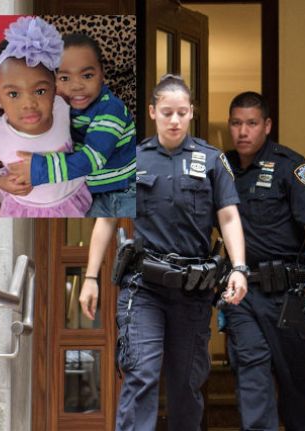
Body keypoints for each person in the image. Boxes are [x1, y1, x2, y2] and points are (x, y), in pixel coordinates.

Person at [77, 74, 248, 431]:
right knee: (141, 376)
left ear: (191, 114)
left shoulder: (212, 160)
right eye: (167, 112)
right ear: (153, 112)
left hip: (193, 291)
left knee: (187, 385)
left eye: (182, 113)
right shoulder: (131, 159)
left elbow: (229, 216)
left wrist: (239, 268)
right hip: (144, 290)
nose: (174, 120)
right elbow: (107, 221)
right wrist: (90, 277)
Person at [223, 91, 305, 430]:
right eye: (237, 123)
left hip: (289, 295)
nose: (243, 131)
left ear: (267, 126)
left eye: (252, 123)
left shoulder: (291, 166)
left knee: (297, 391)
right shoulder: (220, 169)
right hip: (244, 293)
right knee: (252, 379)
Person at [7, 32, 137, 217]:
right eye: (64, 78)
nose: (76, 86)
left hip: (124, 189)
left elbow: (92, 159)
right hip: (86, 192)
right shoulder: (58, 106)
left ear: (102, 74)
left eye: (87, 75)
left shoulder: (110, 109)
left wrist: (38, 169)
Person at [0, 16, 91, 217]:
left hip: (72, 197)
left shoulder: (62, 108)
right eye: (13, 94)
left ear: (54, 89)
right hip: (27, 208)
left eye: (40, 91)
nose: (28, 104)